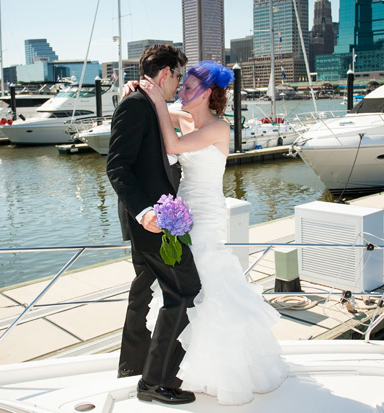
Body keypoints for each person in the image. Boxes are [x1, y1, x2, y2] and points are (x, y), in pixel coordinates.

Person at [139, 60, 289, 405]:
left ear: (207, 94)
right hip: (182, 213)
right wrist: (142, 93)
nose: (182, 91)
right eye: (183, 85)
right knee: (192, 292)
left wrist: (161, 104)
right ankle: (192, 369)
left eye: (189, 87)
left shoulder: (219, 128)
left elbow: (173, 147)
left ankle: (227, 372)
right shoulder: (187, 117)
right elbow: (160, 116)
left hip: (205, 217)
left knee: (210, 288)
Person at [106, 45, 201, 405]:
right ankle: (154, 381)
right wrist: (145, 212)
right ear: (165, 74)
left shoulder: (146, 102)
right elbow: (117, 166)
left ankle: (134, 366)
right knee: (184, 290)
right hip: (150, 223)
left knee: (144, 289)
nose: (178, 83)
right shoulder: (134, 104)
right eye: (177, 75)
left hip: (154, 220)